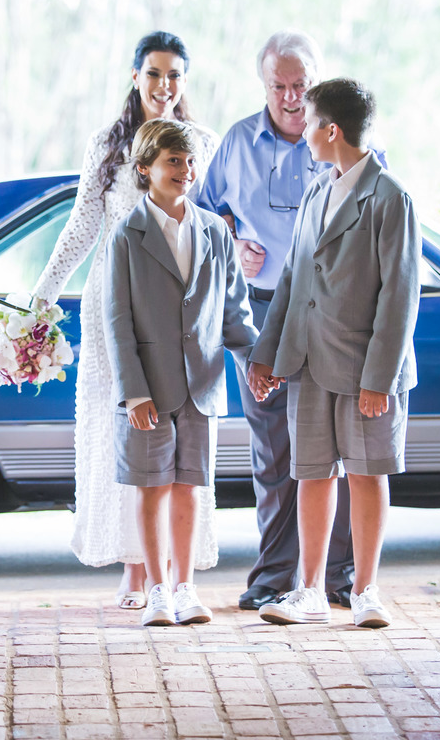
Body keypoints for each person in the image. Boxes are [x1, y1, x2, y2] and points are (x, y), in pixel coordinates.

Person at [32, 32, 222, 609]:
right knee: (122, 435)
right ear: (135, 75)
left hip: (176, 311)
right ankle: (135, 567)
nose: (165, 87)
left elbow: (213, 223)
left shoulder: (203, 145)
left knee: (177, 439)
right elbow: (83, 224)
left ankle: (173, 570)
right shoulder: (105, 146)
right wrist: (41, 297)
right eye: (155, 74)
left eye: (176, 76)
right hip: (110, 302)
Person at [198, 30, 386, 611]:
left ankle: (342, 578)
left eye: (299, 85)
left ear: (317, 84)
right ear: (264, 85)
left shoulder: (346, 145)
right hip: (262, 310)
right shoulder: (235, 143)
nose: (288, 96)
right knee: (277, 449)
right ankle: (277, 576)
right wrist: (232, 238)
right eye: (277, 85)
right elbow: (202, 213)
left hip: (338, 318)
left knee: (345, 449)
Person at [246, 78, 421, 627]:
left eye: (309, 121)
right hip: (309, 363)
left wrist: (381, 378)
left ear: (332, 130)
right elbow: (293, 280)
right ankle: (311, 591)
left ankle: (366, 591)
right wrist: (268, 356)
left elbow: (400, 294)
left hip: (369, 367)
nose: (301, 130)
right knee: (312, 474)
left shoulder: (391, 197)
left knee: (369, 474)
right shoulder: (316, 193)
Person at [103, 119, 259, 625]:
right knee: (152, 488)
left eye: (190, 162)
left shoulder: (215, 230)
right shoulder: (127, 234)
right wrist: (133, 392)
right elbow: (117, 320)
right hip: (149, 387)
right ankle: (156, 591)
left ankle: (186, 586)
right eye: (173, 161)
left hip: (203, 384)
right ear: (146, 169)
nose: (185, 171)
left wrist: (254, 359)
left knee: (191, 487)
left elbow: (234, 311)